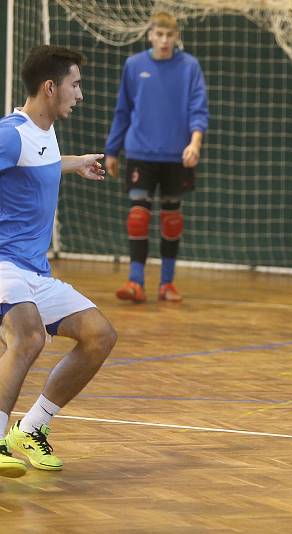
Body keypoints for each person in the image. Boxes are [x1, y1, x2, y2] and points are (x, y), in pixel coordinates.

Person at [0, 45, 117, 478]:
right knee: (28, 338)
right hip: (3, 265)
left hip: (35, 272)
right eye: (75, 84)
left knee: (100, 335)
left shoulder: (43, 132)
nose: (80, 94)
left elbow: (38, 161)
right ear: (51, 87)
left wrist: (75, 163)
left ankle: (30, 430)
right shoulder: (10, 133)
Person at [105, 11, 209, 303]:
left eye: (169, 35)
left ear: (177, 37)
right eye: (159, 34)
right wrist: (112, 151)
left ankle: (167, 283)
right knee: (138, 215)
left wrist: (195, 143)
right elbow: (122, 110)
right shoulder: (134, 65)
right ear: (150, 34)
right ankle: (135, 282)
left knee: (172, 218)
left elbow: (198, 109)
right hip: (140, 153)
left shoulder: (190, 67)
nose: (164, 40)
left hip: (177, 156)